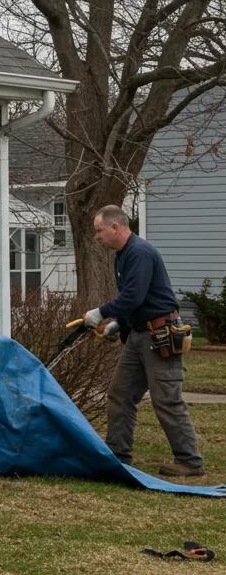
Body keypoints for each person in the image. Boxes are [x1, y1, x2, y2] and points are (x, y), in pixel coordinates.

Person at [84, 205, 204, 478]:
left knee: (166, 399)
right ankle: (118, 454)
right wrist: (120, 324)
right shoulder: (121, 255)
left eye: (99, 230)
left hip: (159, 335)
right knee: (120, 394)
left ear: (116, 227)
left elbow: (133, 297)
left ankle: (190, 461)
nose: (96, 237)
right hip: (139, 334)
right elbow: (134, 299)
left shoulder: (140, 252)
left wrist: (100, 314)